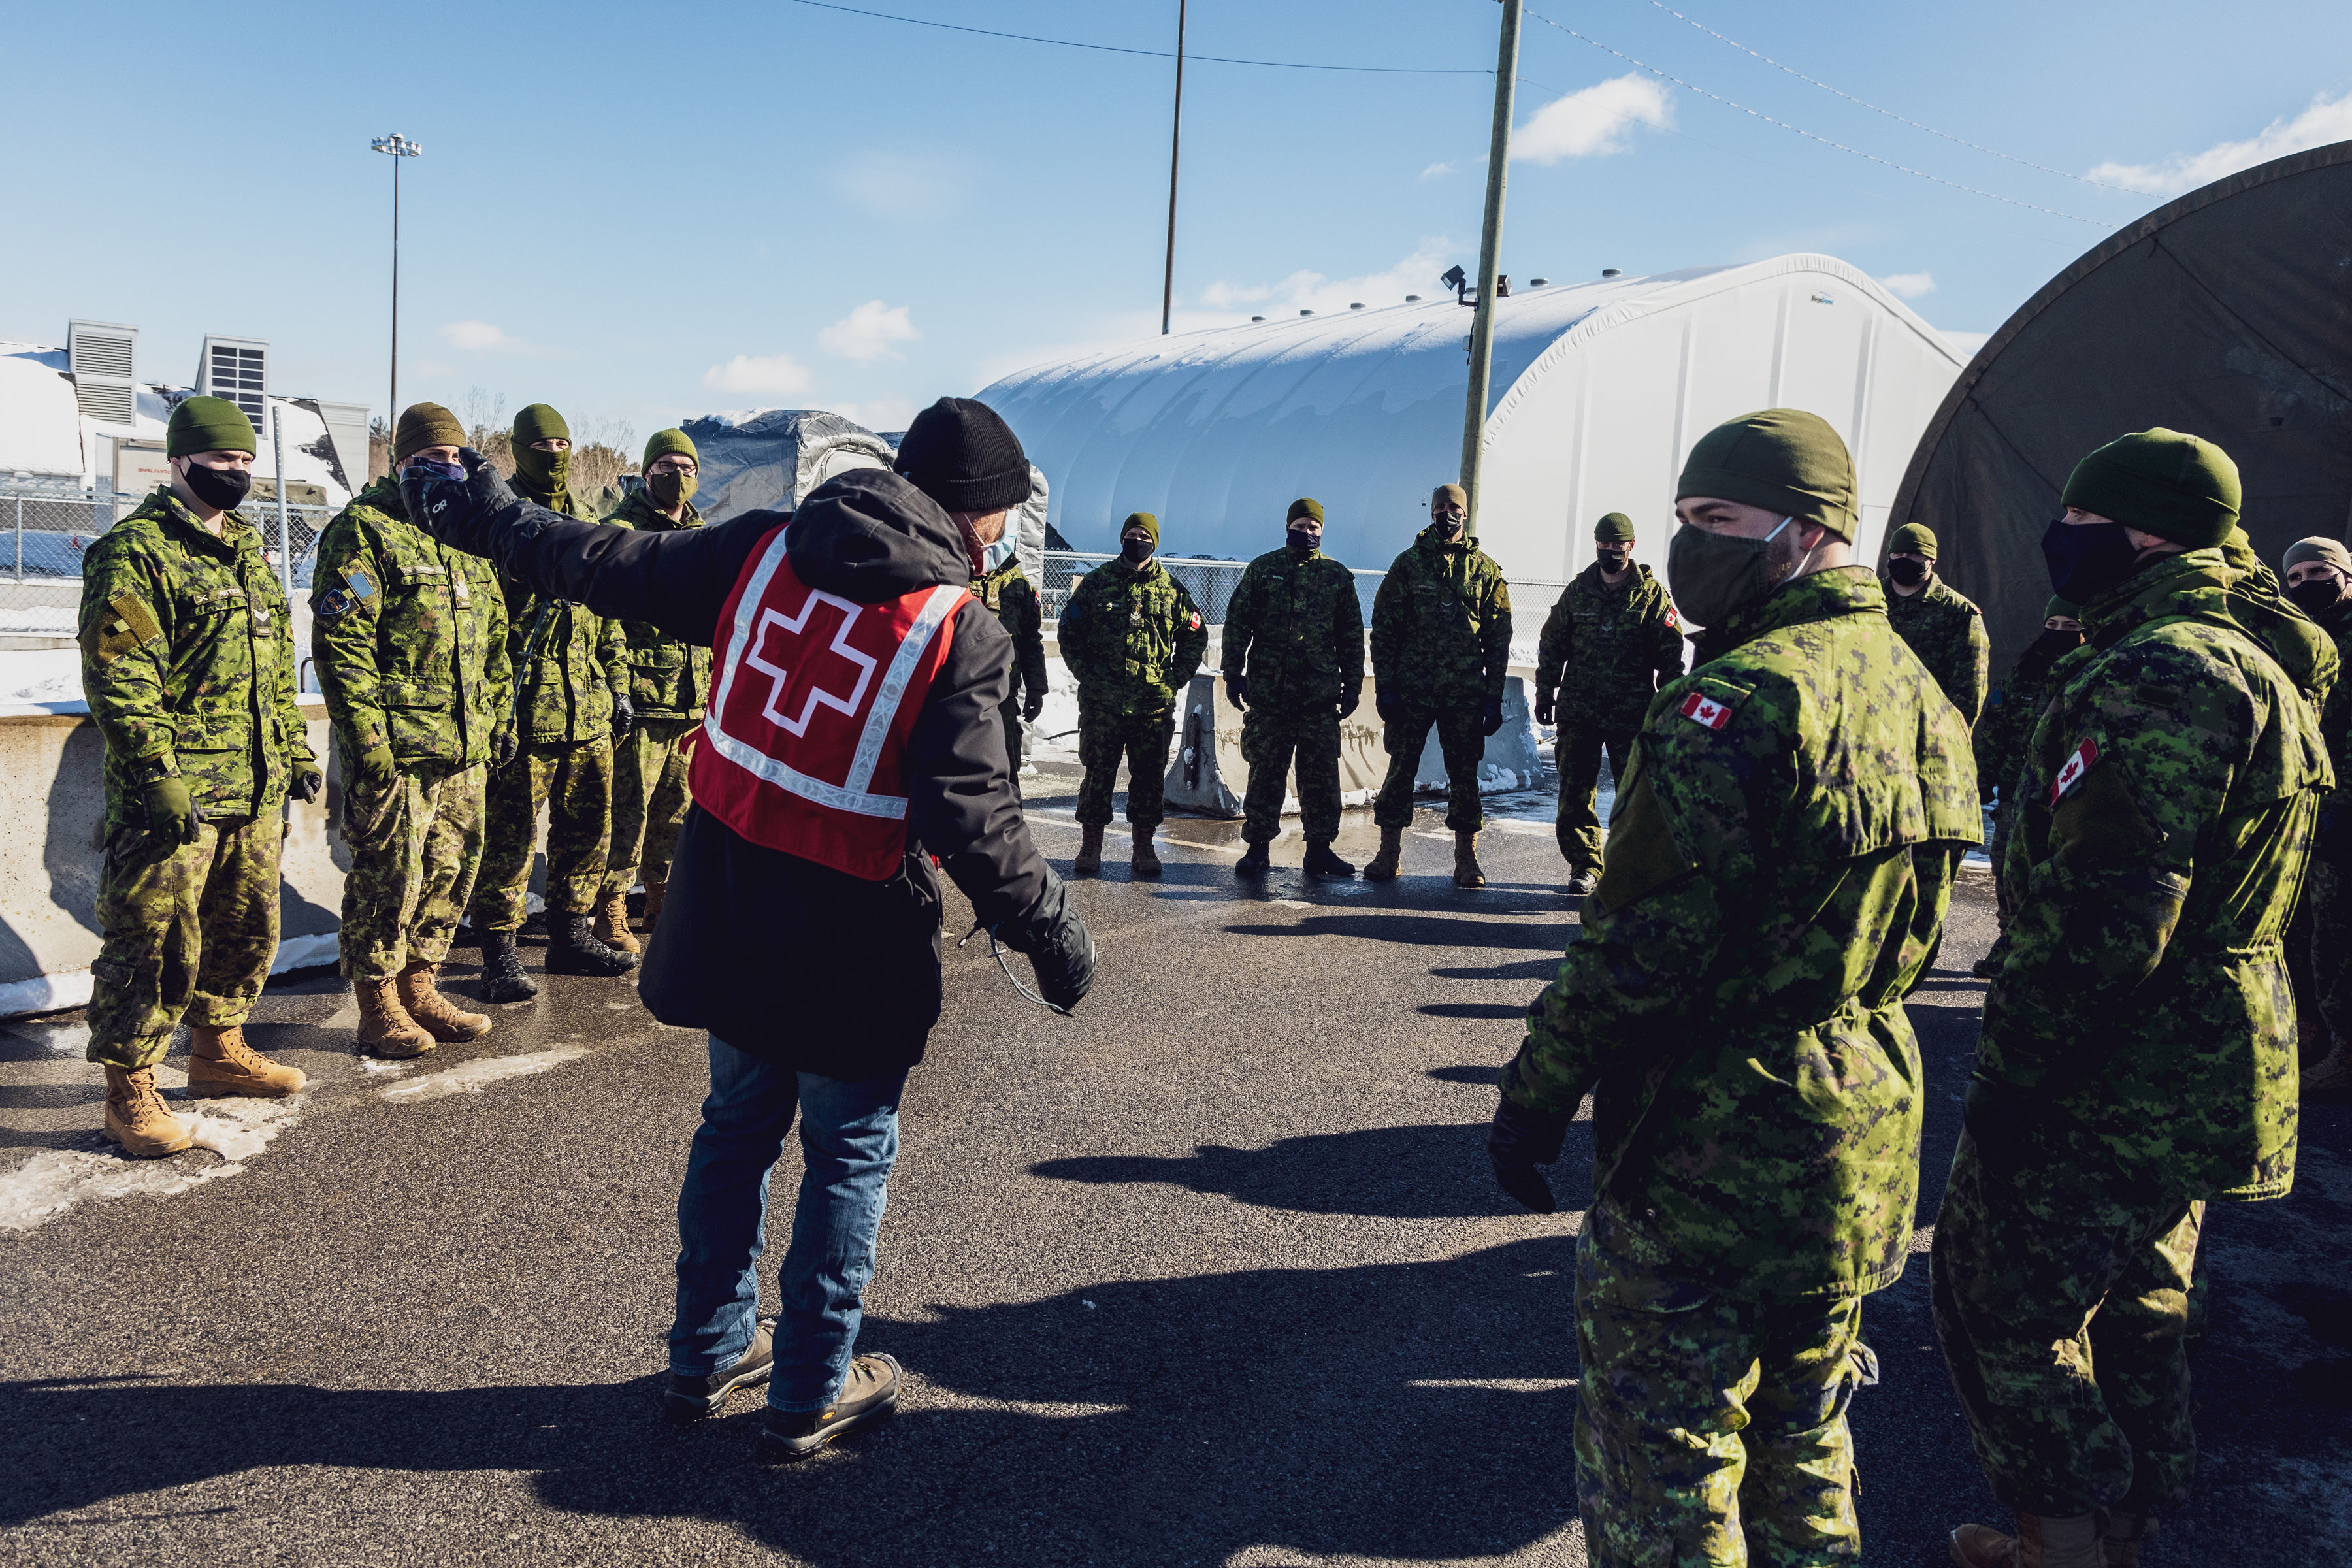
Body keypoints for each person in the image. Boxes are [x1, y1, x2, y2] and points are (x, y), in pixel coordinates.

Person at [399, 393, 1094, 1462]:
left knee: (735, 1135)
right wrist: (1047, 924)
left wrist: (486, 505)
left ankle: (712, 1353)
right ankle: (812, 1388)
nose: (1002, 534)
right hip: (852, 946)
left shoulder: (768, 551)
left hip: (729, 914)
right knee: (847, 1157)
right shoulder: (959, 630)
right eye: (1000, 514)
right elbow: (973, 815)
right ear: (970, 513)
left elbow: (598, 561)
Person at [1486, 408, 1978, 1565]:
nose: (1687, 544)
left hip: (1711, 1134)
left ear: (1806, 534)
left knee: (1666, 1457)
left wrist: (1535, 1097)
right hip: (1863, 1130)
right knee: (1806, 1442)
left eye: (1716, 520)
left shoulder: (1739, 702)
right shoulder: (1925, 699)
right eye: (1684, 519)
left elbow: (1637, 950)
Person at [1935, 430, 2332, 1568]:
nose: (2063, 540)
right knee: (2144, 1301)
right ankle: (2117, 1530)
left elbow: (2112, 919)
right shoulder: (2242, 653)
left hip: (2124, 1058)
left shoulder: (2163, 673)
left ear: (2143, 530)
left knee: (2000, 1309)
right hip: (2195, 1053)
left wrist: (2014, 1081)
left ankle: (2062, 1541)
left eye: (2082, 520)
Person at [76, 395, 324, 1156]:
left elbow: (272, 672)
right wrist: (156, 772)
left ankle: (218, 1054)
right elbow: (122, 672)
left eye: (247, 461)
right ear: (180, 462)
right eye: (222, 460)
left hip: (253, 787)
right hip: (176, 797)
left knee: (245, 930)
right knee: (151, 944)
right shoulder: (137, 552)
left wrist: (294, 748)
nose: (236, 472)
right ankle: (130, 1094)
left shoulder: (250, 550)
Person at [311, 402, 511, 1057]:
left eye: (452, 459)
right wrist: (370, 749)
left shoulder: (468, 535)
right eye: (427, 461)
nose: (441, 471)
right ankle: (378, 1007)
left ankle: (422, 987)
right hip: (399, 753)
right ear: (399, 463)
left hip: (465, 751)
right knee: (387, 881)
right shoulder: (365, 532)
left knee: (450, 873)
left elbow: (498, 641)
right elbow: (343, 647)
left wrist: (497, 717)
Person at [468, 402, 637, 998]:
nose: (556, 456)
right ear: (517, 451)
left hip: (587, 709)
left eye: (564, 445)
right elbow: (481, 630)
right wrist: (495, 709)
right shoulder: (497, 519)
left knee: (587, 830)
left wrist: (617, 683)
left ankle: (570, 935)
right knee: (511, 838)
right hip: (525, 710)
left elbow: (607, 608)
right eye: (543, 448)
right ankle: (498, 952)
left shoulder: (588, 517)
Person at [595, 429, 713, 955]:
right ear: (647, 473)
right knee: (629, 811)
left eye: (687, 467)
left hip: (692, 702)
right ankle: (612, 910)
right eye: (667, 465)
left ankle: (661, 901)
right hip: (641, 703)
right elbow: (608, 621)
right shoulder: (622, 532)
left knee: (676, 811)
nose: (678, 476)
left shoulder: (703, 533)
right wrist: (619, 689)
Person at [1531, 512, 1684, 898]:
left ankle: (1633, 868)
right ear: (1596, 544)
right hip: (1579, 710)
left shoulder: (1651, 595)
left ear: (1631, 546)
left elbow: (1670, 657)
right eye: (1605, 544)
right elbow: (1552, 644)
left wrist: (1668, 707)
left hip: (1631, 713)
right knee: (1574, 793)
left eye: (1618, 545)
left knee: (1636, 794)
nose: (1611, 551)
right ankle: (1585, 865)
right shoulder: (1578, 591)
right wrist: (1545, 692)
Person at [1366, 484, 1512, 887]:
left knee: (1465, 775)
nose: (1447, 514)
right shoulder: (1408, 565)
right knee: (1399, 772)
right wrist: (1386, 688)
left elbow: (1498, 641)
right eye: (1440, 507)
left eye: (1455, 508)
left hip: (1463, 693)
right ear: (1431, 512)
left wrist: (1492, 697)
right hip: (1412, 692)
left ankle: (1467, 859)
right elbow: (1385, 631)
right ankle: (1388, 854)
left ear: (1466, 514)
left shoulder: (1485, 571)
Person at [1058, 511, 1208, 877]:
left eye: (1144, 534)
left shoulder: (1173, 590)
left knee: (1148, 778)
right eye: (1131, 533)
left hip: (1152, 707)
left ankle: (1144, 847)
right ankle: (1090, 845)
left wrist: (1174, 678)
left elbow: (1195, 636)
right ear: (1122, 537)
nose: (1137, 539)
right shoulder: (1097, 584)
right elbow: (1069, 630)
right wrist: (1086, 674)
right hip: (1102, 705)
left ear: (1154, 541)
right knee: (1098, 774)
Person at [1222, 497, 1365, 878]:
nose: (1307, 532)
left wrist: (1353, 685)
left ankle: (1319, 850)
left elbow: (1351, 637)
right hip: (1269, 696)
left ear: (1322, 531)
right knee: (1266, 773)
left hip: (1319, 698)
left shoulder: (1337, 577)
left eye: (1314, 527)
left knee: (1320, 778)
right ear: (1288, 527)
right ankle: (1257, 849)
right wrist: (1233, 673)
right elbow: (1238, 625)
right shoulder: (1263, 570)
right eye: (1301, 525)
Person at [1968, 598, 2083, 978]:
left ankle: (2045, 957)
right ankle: (2010, 947)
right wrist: (1981, 784)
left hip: (2065, 797)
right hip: (2016, 793)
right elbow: (1994, 731)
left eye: (2071, 626)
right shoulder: (2023, 672)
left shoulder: (2090, 673)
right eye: (2054, 624)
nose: (2060, 633)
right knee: (2006, 870)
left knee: (2055, 880)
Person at [2283, 536, 2352, 1094]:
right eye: (2297, 576)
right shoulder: (2307, 642)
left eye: (2320, 572)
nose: (2309, 584)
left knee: (2337, 933)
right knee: (2300, 927)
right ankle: (2311, 1035)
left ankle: (2345, 1052)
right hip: (2312, 803)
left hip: (2344, 807)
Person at [968, 498, 1048, 784]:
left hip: (1003, 698)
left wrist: (1037, 689)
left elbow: (1030, 640)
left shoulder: (1018, 582)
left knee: (1005, 781)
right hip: (956, 696)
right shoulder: (955, 571)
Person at [1882, 521, 1991, 725]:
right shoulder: (1869, 600)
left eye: (1914, 554)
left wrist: (1951, 738)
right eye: (1898, 554)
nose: (1904, 560)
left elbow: (1968, 690)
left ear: (1931, 559)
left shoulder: (1958, 612)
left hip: (1924, 730)